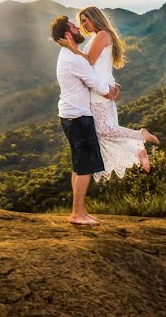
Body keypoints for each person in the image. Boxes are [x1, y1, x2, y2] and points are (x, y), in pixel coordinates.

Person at [58, 6, 160, 183]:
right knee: (102, 133)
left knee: (103, 130)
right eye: (81, 22)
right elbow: (101, 66)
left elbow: (89, 61)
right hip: (102, 86)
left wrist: (72, 48)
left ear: (95, 18)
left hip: (100, 91)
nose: (83, 25)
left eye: (85, 20)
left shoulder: (102, 35)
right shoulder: (101, 36)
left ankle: (140, 136)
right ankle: (138, 149)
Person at [50, 15, 121, 226]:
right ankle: (77, 214)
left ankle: (79, 211)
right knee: (86, 167)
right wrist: (113, 92)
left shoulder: (68, 54)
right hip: (78, 117)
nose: (78, 28)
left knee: (79, 166)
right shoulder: (74, 58)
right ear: (67, 34)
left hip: (71, 115)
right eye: (74, 26)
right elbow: (95, 84)